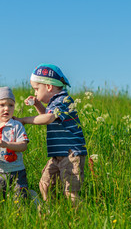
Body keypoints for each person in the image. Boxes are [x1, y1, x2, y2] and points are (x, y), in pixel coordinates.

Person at [15, 64, 87, 205]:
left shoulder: (63, 100)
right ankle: (51, 210)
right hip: (58, 155)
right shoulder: (55, 103)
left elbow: (48, 118)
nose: (35, 93)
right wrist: (37, 104)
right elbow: (47, 116)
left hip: (71, 155)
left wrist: (24, 120)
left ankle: (82, 217)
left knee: (71, 191)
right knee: (45, 184)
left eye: (36, 89)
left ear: (48, 87)